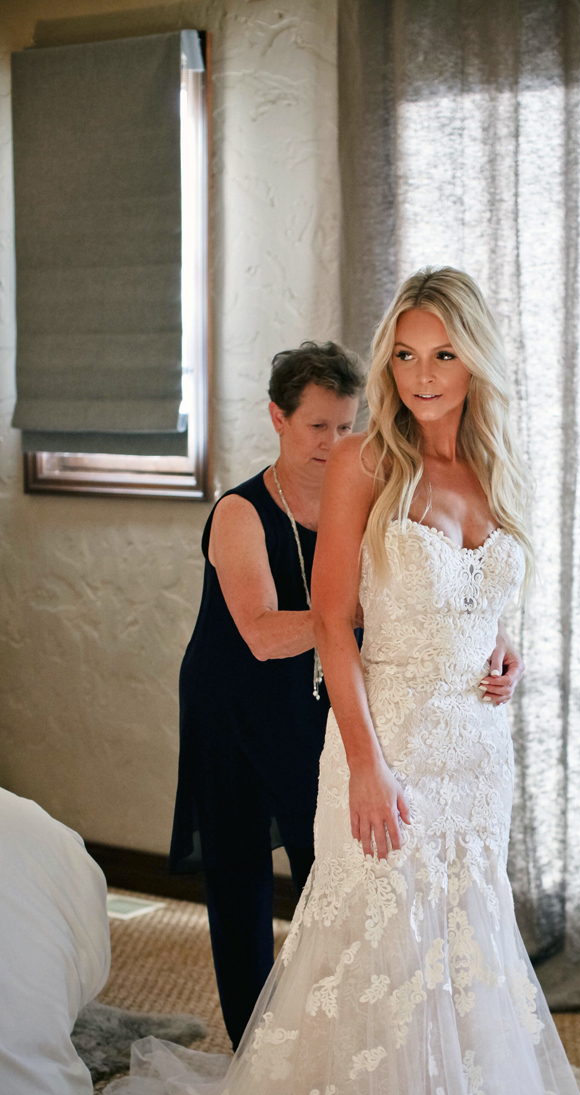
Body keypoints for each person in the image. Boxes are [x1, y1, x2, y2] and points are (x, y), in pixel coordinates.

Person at [50, 269, 580, 1095]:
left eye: (439, 353)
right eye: (403, 354)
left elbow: (490, 595)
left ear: (474, 359)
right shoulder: (366, 465)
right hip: (386, 745)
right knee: (370, 956)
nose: (419, 375)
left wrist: (505, 651)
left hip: (475, 756)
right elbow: (339, 627)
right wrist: (364, 764)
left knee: (461, 951)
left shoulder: (493, 466)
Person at [169, 343, 363, 1048]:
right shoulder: (239, 513)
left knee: (332, 868)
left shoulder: (364, 502)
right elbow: (258, 632)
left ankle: (333, 1041)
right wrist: (357, 614)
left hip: (316, 702)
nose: (335, 443)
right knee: (241, 875)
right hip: (234, 704)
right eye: (318, 426)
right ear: (277, 418)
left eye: (346, 426)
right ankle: (253, 1050)